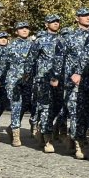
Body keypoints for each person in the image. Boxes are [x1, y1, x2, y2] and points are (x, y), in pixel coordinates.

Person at [51, 7, 89, 159]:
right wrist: (56, 76)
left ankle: (76, 137)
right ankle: (79, 143)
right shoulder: (69, 36)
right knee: (76, 112)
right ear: (77, 18)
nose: (88, 18)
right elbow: (58, 58)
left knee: (88, 113)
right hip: (74, 80)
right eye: (84, 15)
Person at [0, 22, 36, 147]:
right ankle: (16, 134)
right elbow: (3, 64)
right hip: (14, 80)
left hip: (28, 80)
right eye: (21, 28)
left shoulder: (34, 44)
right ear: (16, 31)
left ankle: (12, 127)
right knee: (16, 105)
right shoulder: (11, 46)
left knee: (25, 105)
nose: (25, 30)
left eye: (27, 28)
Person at [32, 15, 64, 152]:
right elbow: (31, 60)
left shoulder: (63, 40)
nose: (56, 24)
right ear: (46, 24)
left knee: (58, 107)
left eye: (57, 21)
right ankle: (47, 138)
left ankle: (43, 128)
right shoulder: (40, 41)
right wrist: (32, 76)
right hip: (44, 79)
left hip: (60, 79)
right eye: (52, 22)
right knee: (46, 108)